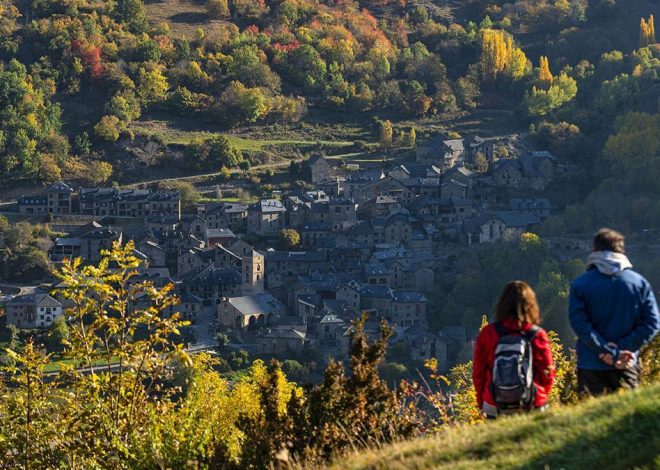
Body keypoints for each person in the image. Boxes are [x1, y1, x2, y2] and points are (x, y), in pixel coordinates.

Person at [569, 228, 660, 397]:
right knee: (626, 418)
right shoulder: (639, 284)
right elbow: (653, 323)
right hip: (626, 362)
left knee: (593, 417)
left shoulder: (581, 284)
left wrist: (606, 351)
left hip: (592, 364)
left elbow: (579, 324)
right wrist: (624, 349)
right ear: (621, 251)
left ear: (594, 250)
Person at [473, 281, 555, 419]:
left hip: (494, 402)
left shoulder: (488, 333)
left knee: (498, 440)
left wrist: (483, 403)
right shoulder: (537, 334)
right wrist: (539, 396)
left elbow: (478, 374)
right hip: (531, 402)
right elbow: (547, 372)